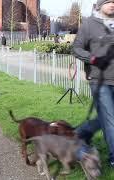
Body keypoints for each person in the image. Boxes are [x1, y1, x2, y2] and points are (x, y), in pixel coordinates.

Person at [72, 0, 114, 167]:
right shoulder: (89, 24)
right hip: (100, 81)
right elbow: (76, 48)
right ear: (99, 4)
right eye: (109, 1)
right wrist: (93, 59)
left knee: (106, 118)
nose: (113, 4)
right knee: (111, 120)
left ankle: (79, 133)